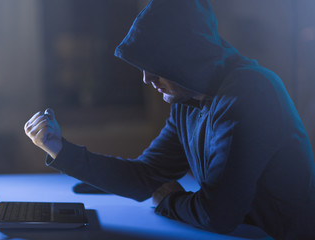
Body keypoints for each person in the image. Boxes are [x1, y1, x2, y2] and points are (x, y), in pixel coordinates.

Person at [24, 0, 315, 239]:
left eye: (156, 67)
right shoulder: (188, 101)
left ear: (186, 57)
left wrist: (168, 200)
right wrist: (59, 149)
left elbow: (217, 215)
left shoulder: (250, 95)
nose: (147, 78)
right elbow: (145, 176)